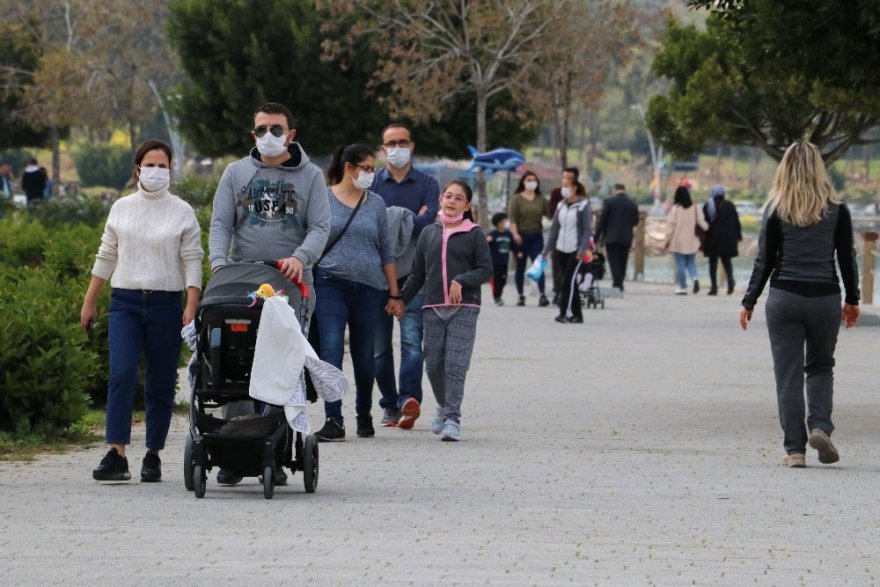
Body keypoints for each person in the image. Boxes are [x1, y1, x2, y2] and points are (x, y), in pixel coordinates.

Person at [209, 102, 330, 485]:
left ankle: (272, 452)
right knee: (234, 363)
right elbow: (220, 223)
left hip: (290, 283)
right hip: (243, 278)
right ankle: (232, 453)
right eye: (261, 129)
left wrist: (300, 257)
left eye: (276, 128)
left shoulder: (310, 176)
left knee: (279, 367)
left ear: (291, 135)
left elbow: (320, 227)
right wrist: (217, 264)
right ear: (253, 134)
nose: (268, 136)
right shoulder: (236, 173)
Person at [81, 139, 203, 483]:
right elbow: (106, 255)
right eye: (149, 164)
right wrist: (90, 301)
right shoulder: (121, 208)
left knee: (161, 381)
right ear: (138, 168)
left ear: (170, 170)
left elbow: (192, 258)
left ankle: (153, 453)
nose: (156, 170)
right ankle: (117, 453)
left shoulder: (182, 211)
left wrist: (191, 303)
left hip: (167, 303)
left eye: (162, 165)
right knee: (121, 374)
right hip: (125, 302)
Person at [739, 140, 860, 468]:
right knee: (820, 366)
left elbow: (765, 259)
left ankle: (795, 451)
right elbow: (847, 258)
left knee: (788, 375)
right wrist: (853, 299)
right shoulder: (837, 209)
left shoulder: (776, 207)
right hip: (824, 298)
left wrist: (749, 300)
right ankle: (819, 426)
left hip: (785, 299)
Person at [389, 180, 492, 442]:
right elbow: (418, 274)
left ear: (467, 205)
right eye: (448, 196)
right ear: (441, 199)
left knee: (456, 364)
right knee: (434, 365)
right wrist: (400, 300)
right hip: (432, 306)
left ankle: (452, 419)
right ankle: (444, 406)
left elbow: (486, 269)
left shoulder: (474, 233)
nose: (451, 201)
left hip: (464, 307)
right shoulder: (429, 234)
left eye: (458, 198)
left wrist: (461, 280)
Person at [311, 144, 399, 442]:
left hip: (369, 288)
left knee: (364, 355)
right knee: (331, 348)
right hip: (329, 282)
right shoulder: (321, 198)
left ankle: (364, 414)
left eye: (373, 169)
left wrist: (394, 294)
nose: (371, 174)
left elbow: (387, 250)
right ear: (349, 168)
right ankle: (333, 418)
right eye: (367, 168)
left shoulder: (375, 204)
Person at [370, 123, 439, 430]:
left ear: (412, 145)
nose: (397, 148)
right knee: (379, 349)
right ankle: (389, 404)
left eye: (403, 142)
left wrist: (398, 218)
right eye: (391, 143)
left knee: (412, 343)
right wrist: (414, 217)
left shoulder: (428, 183)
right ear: (383, 149)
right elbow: (367, 222)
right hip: (376, 277)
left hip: (415, 275)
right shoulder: (371, 183)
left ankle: (408, 399)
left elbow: (430, 223)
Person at [543, 181, 592, 323]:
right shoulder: (561, 205)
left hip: (575, 250)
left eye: (567, 186)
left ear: (575, 188)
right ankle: (578, 315)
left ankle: (563, 312)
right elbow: (554, 229)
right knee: (569, 282)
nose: (564, 189)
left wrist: (582, 250)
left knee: (568, 281)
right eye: (563, 186)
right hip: (560, 249)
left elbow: (587, 230)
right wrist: (547, 250)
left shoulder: (583, 205)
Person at [508, 170, 550, 307]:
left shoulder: (541, 199)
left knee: (538, 265)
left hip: (536, 235)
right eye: (529, 180)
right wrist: (515, 234)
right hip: (521, 236)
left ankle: (542, 294)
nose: (532, 182)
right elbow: (512, 219)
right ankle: (521, 295)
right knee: (520, 266)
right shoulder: (517, 199)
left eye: (534, 179)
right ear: (523, 182)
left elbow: (550, 214)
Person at [595, 183, 639, 292]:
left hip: (611, 237)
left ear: (615, 190)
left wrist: (596, 237)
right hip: (626, 237)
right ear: (625, 190)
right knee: (623, 261)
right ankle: (620, 282)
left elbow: (602, 221)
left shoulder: (609, 202)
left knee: (613, 261)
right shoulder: (632, 204)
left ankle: (617, 283)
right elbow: (636, 221)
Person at [665, 185, 708, 295]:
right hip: (692, 240)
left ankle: (682, 287)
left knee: (680, 264)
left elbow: (670, 226)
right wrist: (707, 228)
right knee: (691, 263)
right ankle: (695, 278)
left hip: (677, 240)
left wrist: (667, 239)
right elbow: (702, 222)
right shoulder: (695, 207)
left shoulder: (675, 209)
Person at [547, 167, 581, 304]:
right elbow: (552, 213)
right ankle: (558, 292)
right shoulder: (557, 194)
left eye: (569, 178)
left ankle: (569, 295)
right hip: (559, 237)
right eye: (564, 177)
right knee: (557, 266)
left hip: (574, 239)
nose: (565, 181)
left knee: (570, 270)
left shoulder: (581, 196)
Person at [702, 184, 741, 295]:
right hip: (728, 239)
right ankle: (730, 285)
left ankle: (714, 288)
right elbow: (736, 222)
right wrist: (738, 236)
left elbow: (705, 222)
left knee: (712, 263)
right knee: (727, 262)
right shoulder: (730, 205)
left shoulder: (708, 206)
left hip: (712, 238)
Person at [486, 212, 514, 306]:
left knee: (503, 280)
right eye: (504, 221)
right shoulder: (493, 234)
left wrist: (519, 253)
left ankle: (499, 296)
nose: (506, 222)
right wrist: (487, 240)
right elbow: (484, 245)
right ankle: (496, 297)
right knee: (496, 280)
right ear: (498, 223)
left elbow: (513, 246)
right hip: (494, 262)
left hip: (504, 262)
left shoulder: (508, 234)